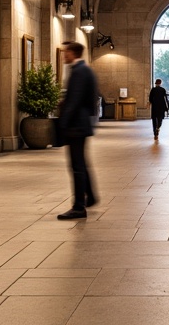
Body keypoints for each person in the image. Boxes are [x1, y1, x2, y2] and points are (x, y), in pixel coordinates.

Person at [56, 41, 99, 219]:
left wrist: (62, 122)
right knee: (81, 164)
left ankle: (79, 207)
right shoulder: (84, 70)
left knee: (77, 166)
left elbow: (74, 100)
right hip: (81, 123)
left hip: (76, 125)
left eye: (66, 52)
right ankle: (91, 196)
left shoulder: (79, 72)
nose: (64, 55)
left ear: (73, 53)